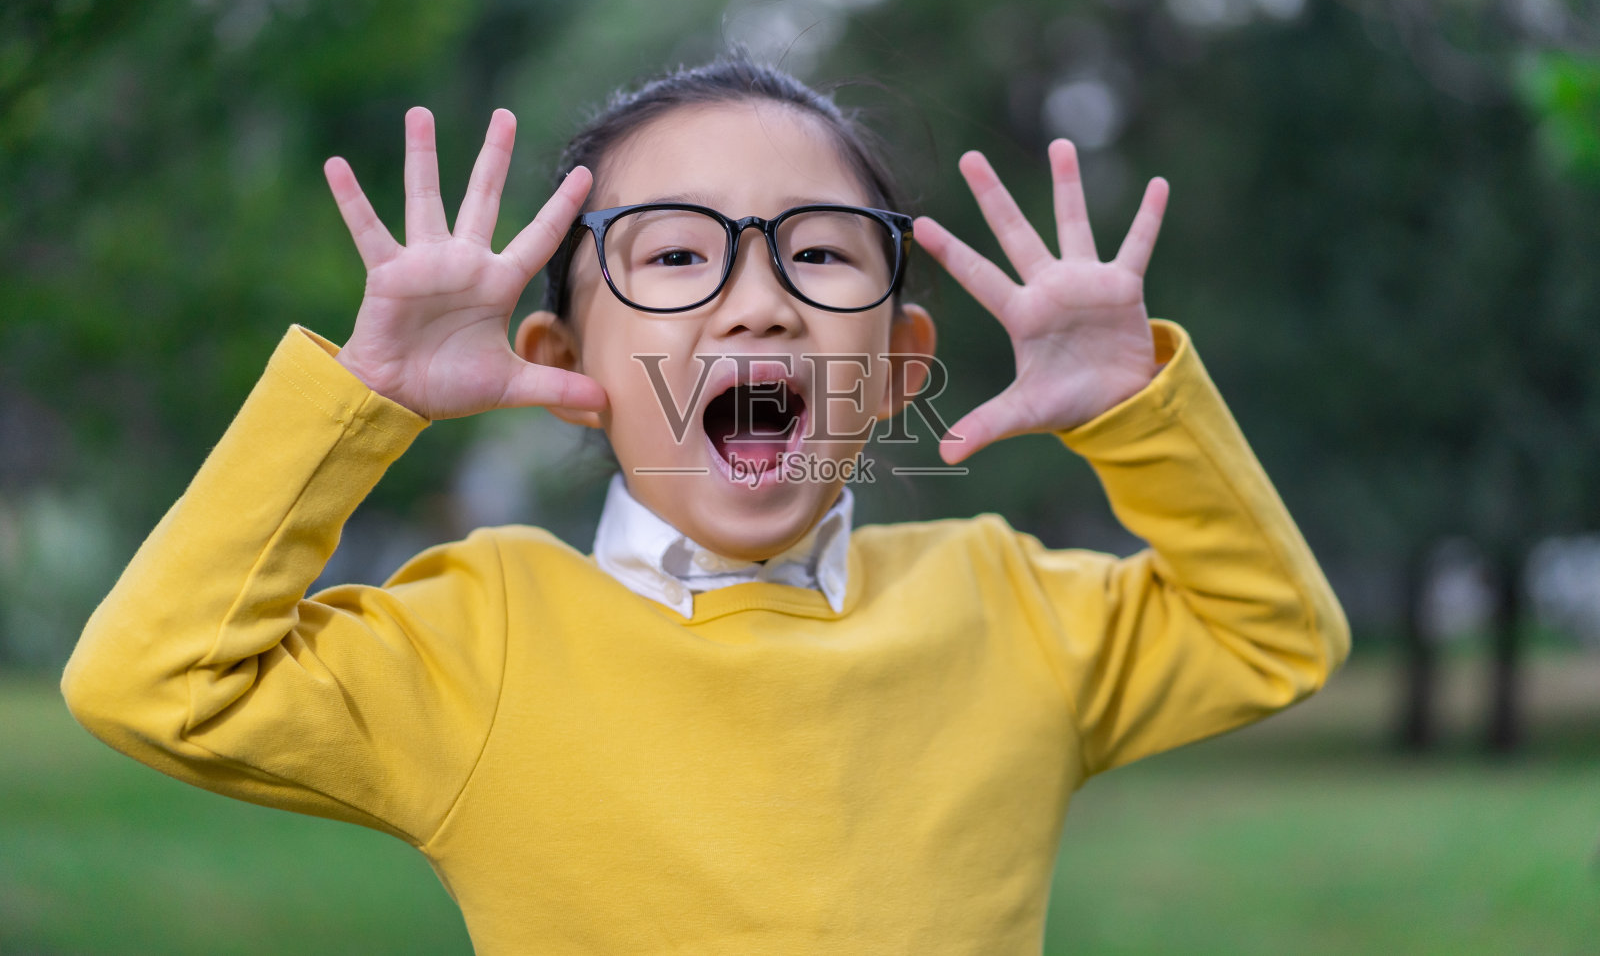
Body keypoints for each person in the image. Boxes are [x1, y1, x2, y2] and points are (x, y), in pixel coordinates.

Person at [62, 55, 1350, 954]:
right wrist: (367, 399)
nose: (758, 300)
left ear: (899, 364)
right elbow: (154, 680)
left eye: (822, 250)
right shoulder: (486, 638)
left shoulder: (1008, 606)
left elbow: (1274, 636)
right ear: (565, 367)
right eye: (676, 253)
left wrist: (1137, 408)